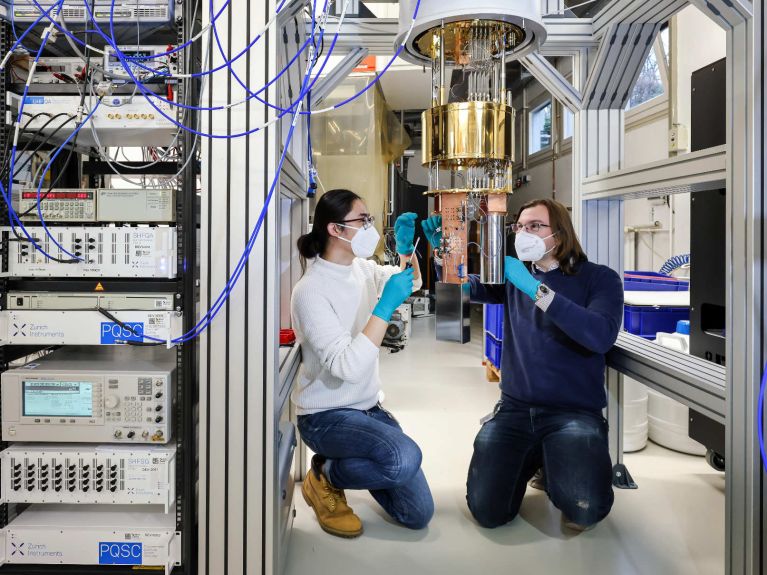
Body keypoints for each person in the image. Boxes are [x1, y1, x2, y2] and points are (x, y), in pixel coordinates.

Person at [422, 198, 623, 532]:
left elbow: (599, 335)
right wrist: (447, 257)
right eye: (519, 227)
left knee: (584, 509)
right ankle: (539, 456)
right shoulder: (513, 278)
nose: (522, 233)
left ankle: (550, 459)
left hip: (573, 413)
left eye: (534, 227)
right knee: (488, 512)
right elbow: (465, 289)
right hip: (515, 409)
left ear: (558, 234)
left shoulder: (599, 279)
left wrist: (536, 290)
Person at [292, 189, 434, 538]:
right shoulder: (310, 291)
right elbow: (347, 367)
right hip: (326, 415)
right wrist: (383, 308)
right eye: (363, 220)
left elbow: (410, 282)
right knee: (403, 458)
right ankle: (325, 477)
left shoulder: (361, 268)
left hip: (368, 406)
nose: (370, 227)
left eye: (370, 219)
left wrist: (406, 253)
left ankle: (334, 471)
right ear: (336, 229)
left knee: (418, 513)